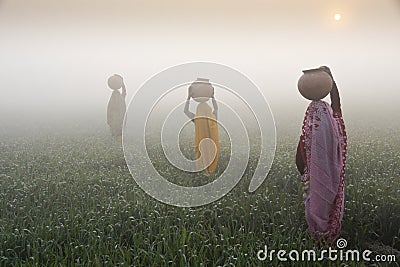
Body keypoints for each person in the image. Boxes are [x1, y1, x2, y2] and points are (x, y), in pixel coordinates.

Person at [296, 66, 347, 244]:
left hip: (317, 170)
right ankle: (326, 233)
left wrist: (303, 164)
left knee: (317, 198)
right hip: (328, 169)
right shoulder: (327, 113)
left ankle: (319, 234)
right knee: (325, 196)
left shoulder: (316, 112)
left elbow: (306, 142)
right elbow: (337, 106)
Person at [184, 79, 219, 174]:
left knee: (202, 158)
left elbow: (185, 111)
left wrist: (188, 96)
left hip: (201, 145)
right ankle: (210, 172)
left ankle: (204, 173)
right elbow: (216, 108)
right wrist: (212, 96)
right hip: (213, 145)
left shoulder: (197, 119)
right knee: (211, 158)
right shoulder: (213, 118)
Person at [107, 74, 126, 142]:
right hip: (117, 118)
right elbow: (110, 109)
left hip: (119, 118)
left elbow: (109, 110)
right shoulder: (118, 98)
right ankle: (117, 140)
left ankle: (117, 140)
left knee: (117, 131)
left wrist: (122, 82)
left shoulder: (119, 97)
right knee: (117, 131)